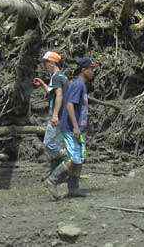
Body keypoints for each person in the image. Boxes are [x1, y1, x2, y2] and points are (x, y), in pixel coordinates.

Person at [44, 57, 99, 200]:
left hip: (78, 128)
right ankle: (52, 180)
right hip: (70, 128)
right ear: (83, 70)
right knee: (74, 159)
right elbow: (69, 105)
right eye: (91, 69)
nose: (93, 72)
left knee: (79, 158)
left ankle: (73, 188)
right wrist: (75, 126)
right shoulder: (78, 85)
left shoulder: (82, 85)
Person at [32, 51, 69, 172]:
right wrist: (42, 84)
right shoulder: (61, 76)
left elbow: (59, 96)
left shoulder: (57, 77)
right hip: (64, 116)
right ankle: (56, 172)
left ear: (52, 62)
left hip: (57, 116)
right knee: (57, 144)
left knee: (48, 144)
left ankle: (68, 159)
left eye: (46, 62)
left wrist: (54, 115)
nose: (44, 65)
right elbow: (51, 91)